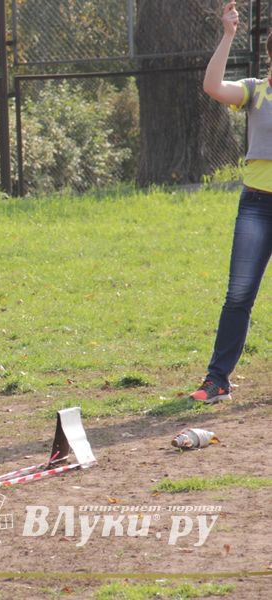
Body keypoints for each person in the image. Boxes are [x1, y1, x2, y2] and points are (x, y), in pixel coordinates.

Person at [192, 1, 272, 404]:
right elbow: (212, 87)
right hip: (257, 206)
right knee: (239, 295)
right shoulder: (257, 90)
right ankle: (217, 380)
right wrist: (227, 36)